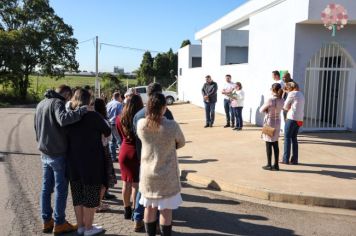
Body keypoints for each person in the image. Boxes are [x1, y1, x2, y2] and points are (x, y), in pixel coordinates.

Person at [34, 85, 87, 234]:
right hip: (57, 153)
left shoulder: (41, 103)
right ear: (66, 94)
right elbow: (63, 119)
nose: (69, 100)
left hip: (44, 153)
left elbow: (35, 127)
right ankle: (60, 222)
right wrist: (81, 111)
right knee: (60, 189)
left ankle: (46, 220)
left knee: (46, 189)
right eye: (69, 97)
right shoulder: (57, 103)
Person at [137, 93, 185, 236]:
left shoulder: (141, 124)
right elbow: (181, 142)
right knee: (165, 210)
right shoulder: (172, 126)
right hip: (167, 175)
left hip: (148, 175)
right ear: (164, 108)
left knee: (149, 208)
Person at [66, 89, 111, 236]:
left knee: (77, 195)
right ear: (88, 100)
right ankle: (88, 228)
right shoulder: (93, 116)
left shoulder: (69, 116)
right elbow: (107, 130)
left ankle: (80, 226)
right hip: (91, 162)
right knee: (91, 195)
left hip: (73, 161)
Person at [132, 83, 174, 232]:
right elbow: (176, 139)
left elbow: (135, 136)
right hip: (162, 161)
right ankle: (155, 224)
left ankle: (138, 219)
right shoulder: (167, 114)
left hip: (143, 158)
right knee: (163, 202)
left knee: (144, 193)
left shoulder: (138, 115)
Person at [116, 94, 144, 220]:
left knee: (125, 183)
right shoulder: (140, 118)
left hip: (123, 151)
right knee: (135, 184)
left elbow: (120, 136)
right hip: (136, 152)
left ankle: (126, 209)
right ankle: (134, 210)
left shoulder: (119, 118)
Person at [94, 98, 117, 212]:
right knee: (104, 179)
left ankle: (98, 202)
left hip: (94, 150)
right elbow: (108, 138)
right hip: (103, 150)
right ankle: (98, 203)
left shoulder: (90, 118)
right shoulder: (102, 120)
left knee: (98, 178)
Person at [259, 83, 285, 170]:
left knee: (268, 143)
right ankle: (276, 165)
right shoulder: (281, 99)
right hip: (278, 121)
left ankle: (269, 164)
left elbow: (261, 110)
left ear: (273, 89)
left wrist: (267, 109)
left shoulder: (271, 99)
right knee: (275, 143)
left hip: (270, 122)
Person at [105, 92, 123, 200]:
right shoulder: (119, 104)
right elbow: (120, 115)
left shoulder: (108, 104)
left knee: (111, 141)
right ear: (118, 97)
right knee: (119, 140)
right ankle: (120, 155)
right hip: (116, 123)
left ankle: (113, 156)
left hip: (109, 123)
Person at [282, 81, 305, 165]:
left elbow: (285, 106)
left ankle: (285, 159)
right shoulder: (301, 94)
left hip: (292, 118)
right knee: (294, 138)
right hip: (299, 119)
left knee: (287, 138)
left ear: (289, 88)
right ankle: (295, 159)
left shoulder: (292, 93)